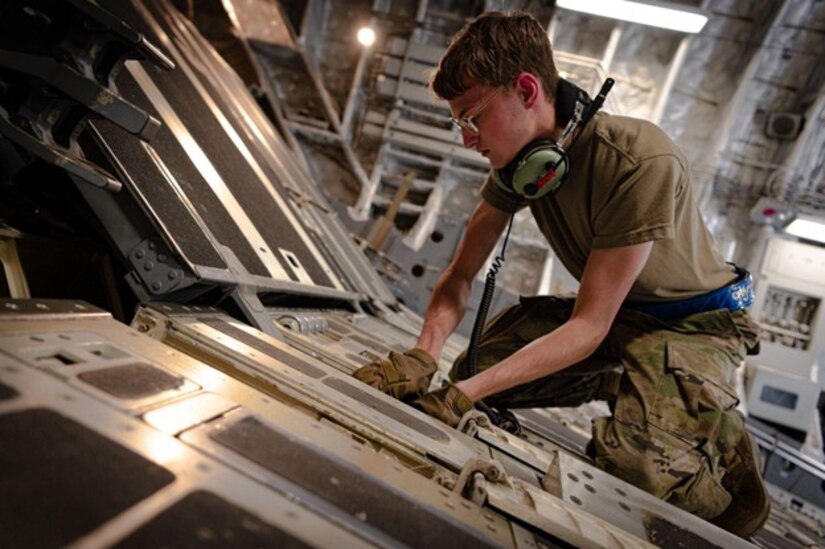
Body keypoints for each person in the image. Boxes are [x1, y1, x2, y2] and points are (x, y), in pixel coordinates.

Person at [353, 10, 769, 538]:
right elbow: (458, 278)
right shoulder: (520, 166)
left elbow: (589, 326)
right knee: (471, 372)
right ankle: (632, 379)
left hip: (692, 326)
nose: (467, 140)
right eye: (459, 124)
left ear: (526, 90)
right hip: (616, 320)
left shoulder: (640, 161)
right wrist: (424, 355)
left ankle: (719, 440)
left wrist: (464, 399)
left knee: (632, 477)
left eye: (472, 118)